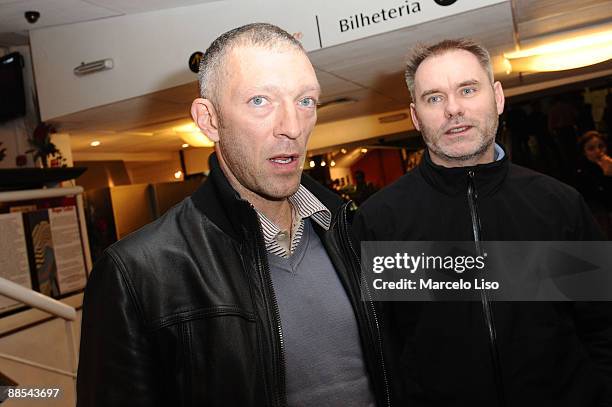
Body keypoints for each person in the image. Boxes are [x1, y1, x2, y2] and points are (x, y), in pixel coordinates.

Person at [77, 23, 389, 407]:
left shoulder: (353, 229)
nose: (292, 128)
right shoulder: (137, 273)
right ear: (209, 120)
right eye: (260, 100)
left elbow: (455, 307)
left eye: (305, 101)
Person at [352, 39, 612, 406]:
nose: (453, 109)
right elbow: (381, 348)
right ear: (415, 116)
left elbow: (602, 323)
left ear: (497, 97)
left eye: (467, 90)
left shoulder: (557, 205)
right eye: (434, 98)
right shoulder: (380, 222)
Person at [576, 130, 612, 238]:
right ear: (584, 152)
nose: (598, 151)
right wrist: (607, 176)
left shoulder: (609, 163)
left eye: (601, 146)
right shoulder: (582, 173)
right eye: (591, 149)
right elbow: (598, 199)